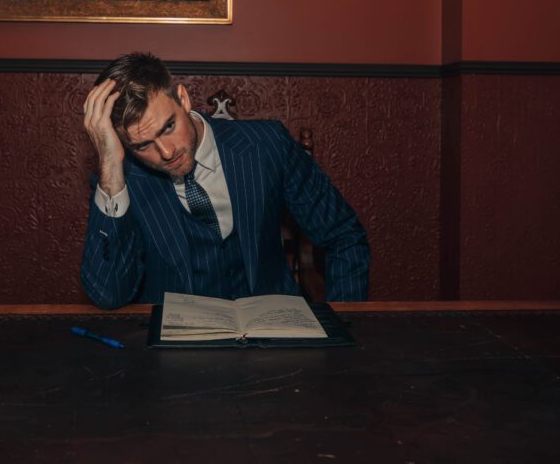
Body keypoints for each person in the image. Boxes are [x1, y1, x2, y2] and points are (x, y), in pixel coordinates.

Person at [81, 52, 369, 309]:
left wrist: (343, 322)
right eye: (143, 146)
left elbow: (343, 234)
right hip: (177, 352)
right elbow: (109, 294)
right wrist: (109, 165)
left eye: (169, 126)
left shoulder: (266, 146)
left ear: (183, 98)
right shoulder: (120, 180)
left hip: (273, 333)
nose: (166, 152)